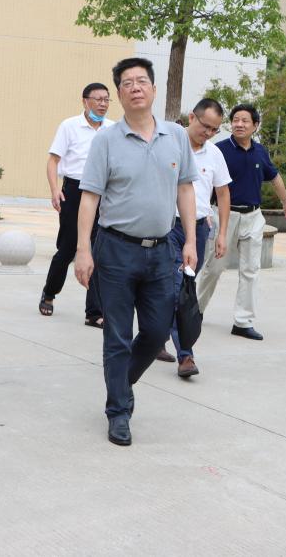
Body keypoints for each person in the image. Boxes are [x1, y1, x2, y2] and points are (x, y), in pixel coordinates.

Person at [74, 57, 198, 446]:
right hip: (115, 249)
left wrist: (190, 240)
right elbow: (89, 197)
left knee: (157, 331)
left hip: (162, 250)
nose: (135, 88)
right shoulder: (106, 140)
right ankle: (119, 412)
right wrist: (83, 249)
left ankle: (120, 383)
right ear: (119, 94)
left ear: (154, 90)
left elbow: (185, 188)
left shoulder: (176, 136)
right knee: (117, 335)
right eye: (127, 83)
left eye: (142, 81)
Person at [195, 103, 286, 341]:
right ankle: (195, 311)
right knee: (214, 268)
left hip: (253, 217)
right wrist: (205, 210)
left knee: (251, 270)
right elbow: (205, 181)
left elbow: (274, 176)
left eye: (245, 121)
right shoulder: (218, 150)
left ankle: (243, 322)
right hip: (224, 216)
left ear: (255, 125)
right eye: (235, 120)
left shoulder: (260, 151)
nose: (239, 124)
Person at [159, 98, 231, 377]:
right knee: (180, 290)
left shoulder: (214, 154)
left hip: (198, 229)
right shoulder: (168, 146)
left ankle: (155, 337)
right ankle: (185, 355)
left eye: (215, 129)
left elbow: (222, 193)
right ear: (192, 117)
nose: (209, 133)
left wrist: (221, 233)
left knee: (178, 289)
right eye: (205, 126)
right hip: (167, 227)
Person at [40, 83, 114, 325]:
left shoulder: (113, 129)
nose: (103, 104)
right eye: (98, 99)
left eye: (106, 99)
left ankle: (94, 312)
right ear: (85, 101)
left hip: (103, 193)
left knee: (99, 250)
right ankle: (49, 293)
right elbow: (53, 161)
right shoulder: (69, 126)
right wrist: (55, 190)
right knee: (68, 248)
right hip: (74, 190)